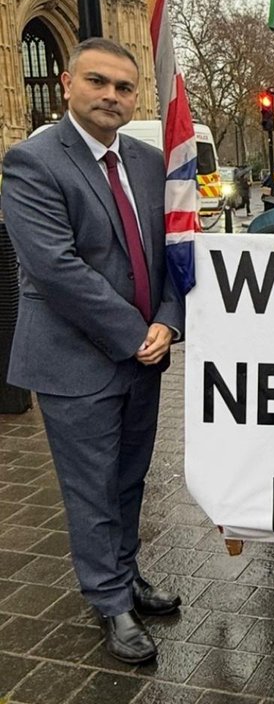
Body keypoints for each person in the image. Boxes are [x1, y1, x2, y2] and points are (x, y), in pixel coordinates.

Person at [0, 37, 185, 665]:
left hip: (145, 355)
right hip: (75, 360)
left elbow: (171, 255)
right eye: (98, 82)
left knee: (130, 479)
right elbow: (55, 269)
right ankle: (108, 602)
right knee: (92, 486)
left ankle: (126, 575)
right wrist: (136, 334)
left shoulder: (150, 161)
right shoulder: (32, 162)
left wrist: (167, 320)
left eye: (124, 87)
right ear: (65, 83)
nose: (111, 95)